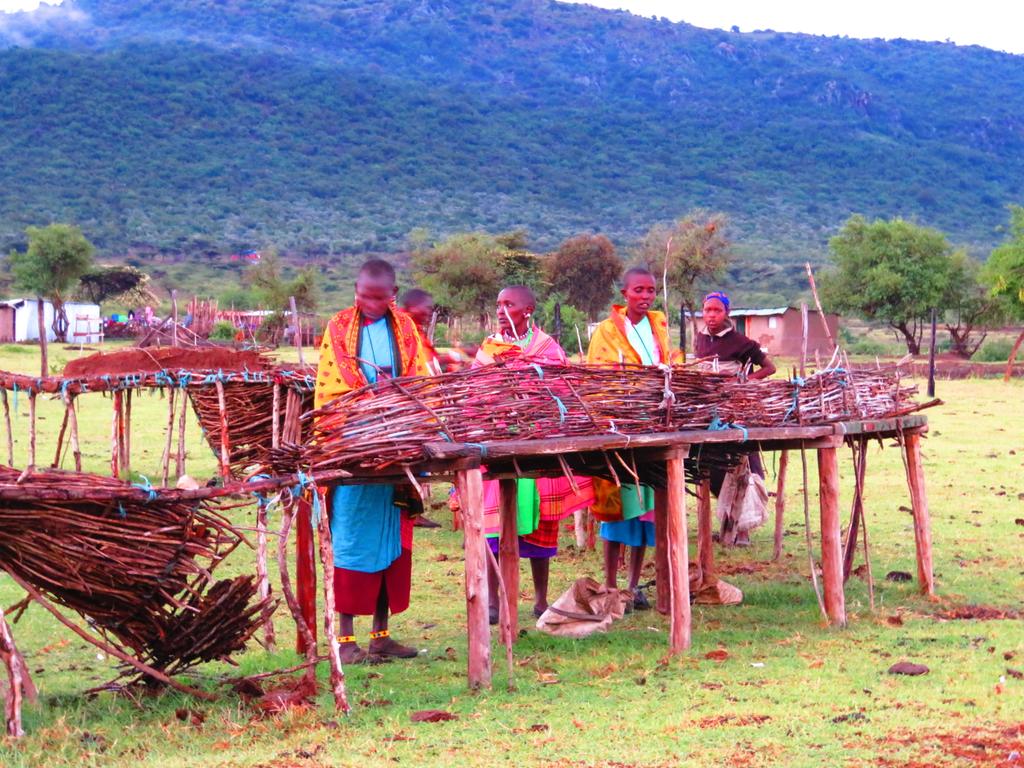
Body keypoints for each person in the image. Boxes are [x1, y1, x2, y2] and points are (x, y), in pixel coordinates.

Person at [315, 258, 431, 663]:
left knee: (393, 541)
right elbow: (331, 386)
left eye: (379, 299)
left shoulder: (406, 328)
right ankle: (346, 641)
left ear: (392, 296)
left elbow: (417, 380)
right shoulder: (338, 328)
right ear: (356, 290)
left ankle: (381, 635)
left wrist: (404, 420)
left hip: (396, 447)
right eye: (364, 296)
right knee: (350, 539)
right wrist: (365, 416)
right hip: (355, 449)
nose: (370, 304)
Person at [473, 285, 594, 622]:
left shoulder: (548, 349)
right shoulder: (488, 350)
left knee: (542, 528)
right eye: (497, 304)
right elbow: (475, 393)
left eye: (508, 304)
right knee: (492, 529)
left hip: (538, 445)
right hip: (496, 444)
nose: (500, 310)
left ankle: (541, 600)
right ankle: (494, 603)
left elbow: (562, 391)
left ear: (527, 310)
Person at [586, 267, 677, 610]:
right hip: (619, 427)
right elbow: (597, 374)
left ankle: (635, 585)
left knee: (646, 512)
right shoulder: (607, 331)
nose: (646, 296)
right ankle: (610, 587)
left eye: (651, 290)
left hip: (653, 426)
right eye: (639, 290)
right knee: (618, 510)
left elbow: (667, 365)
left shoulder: (659, 327)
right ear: (624, 293)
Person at [694, 290, 776, 545]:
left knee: (743, 465)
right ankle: (727, 523)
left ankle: (744, 530)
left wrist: (743, 382)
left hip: (736, 412)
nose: (711, 315)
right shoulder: (700, 339)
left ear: (726, 313)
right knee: (713, 466)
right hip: (709, 412)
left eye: (717, 310)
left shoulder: (741, 342)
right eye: (708, 310)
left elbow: (769, 368)